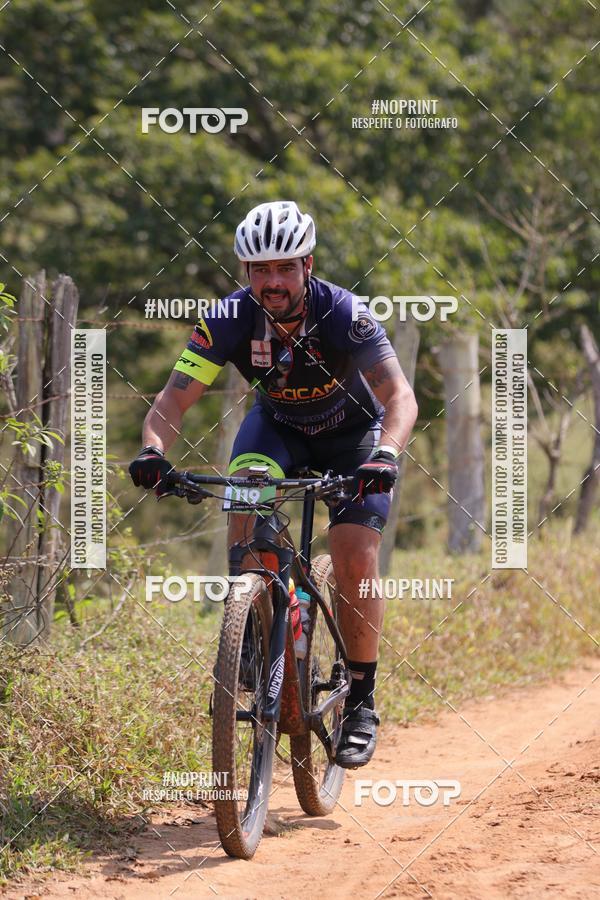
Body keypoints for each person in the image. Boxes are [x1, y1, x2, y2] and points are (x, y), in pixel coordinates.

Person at [129, 200, 418, 768]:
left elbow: (400, 398)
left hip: (356, 438)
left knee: (354, 555)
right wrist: (153, 450)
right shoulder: (229, 319)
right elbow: (172, 399)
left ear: (307, 265)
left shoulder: (344, 314)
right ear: (246, 273)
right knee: (246, 496)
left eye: (285, 267)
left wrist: (385, 454)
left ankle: (360, 699)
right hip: (278, 429)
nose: (273, 281)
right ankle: (256, 624)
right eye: (260, 270)